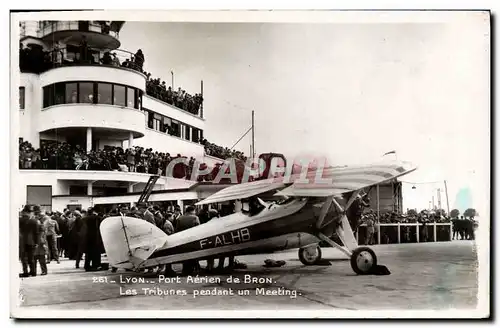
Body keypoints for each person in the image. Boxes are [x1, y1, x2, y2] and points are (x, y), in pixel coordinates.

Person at [175, 206, 200, 274]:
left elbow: (177, 231)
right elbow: (199, 230)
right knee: (193, 255)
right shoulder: (195, 218)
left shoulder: (180, 218)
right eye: (194, 211)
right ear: (192, 211)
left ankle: (185, 270)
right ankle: (194, 269)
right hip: (192, 240)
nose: (195, 212)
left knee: (185, 255)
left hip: (183, 240)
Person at [19, 205, 39, 277]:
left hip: (22, 241)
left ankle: (25, 272)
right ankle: (33, 272)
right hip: (31, 241)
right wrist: (36, 242)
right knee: (31, 257)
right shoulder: (34, 221)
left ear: (24, 212)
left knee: (23, 257)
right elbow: (36, 232)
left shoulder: (19, 220)